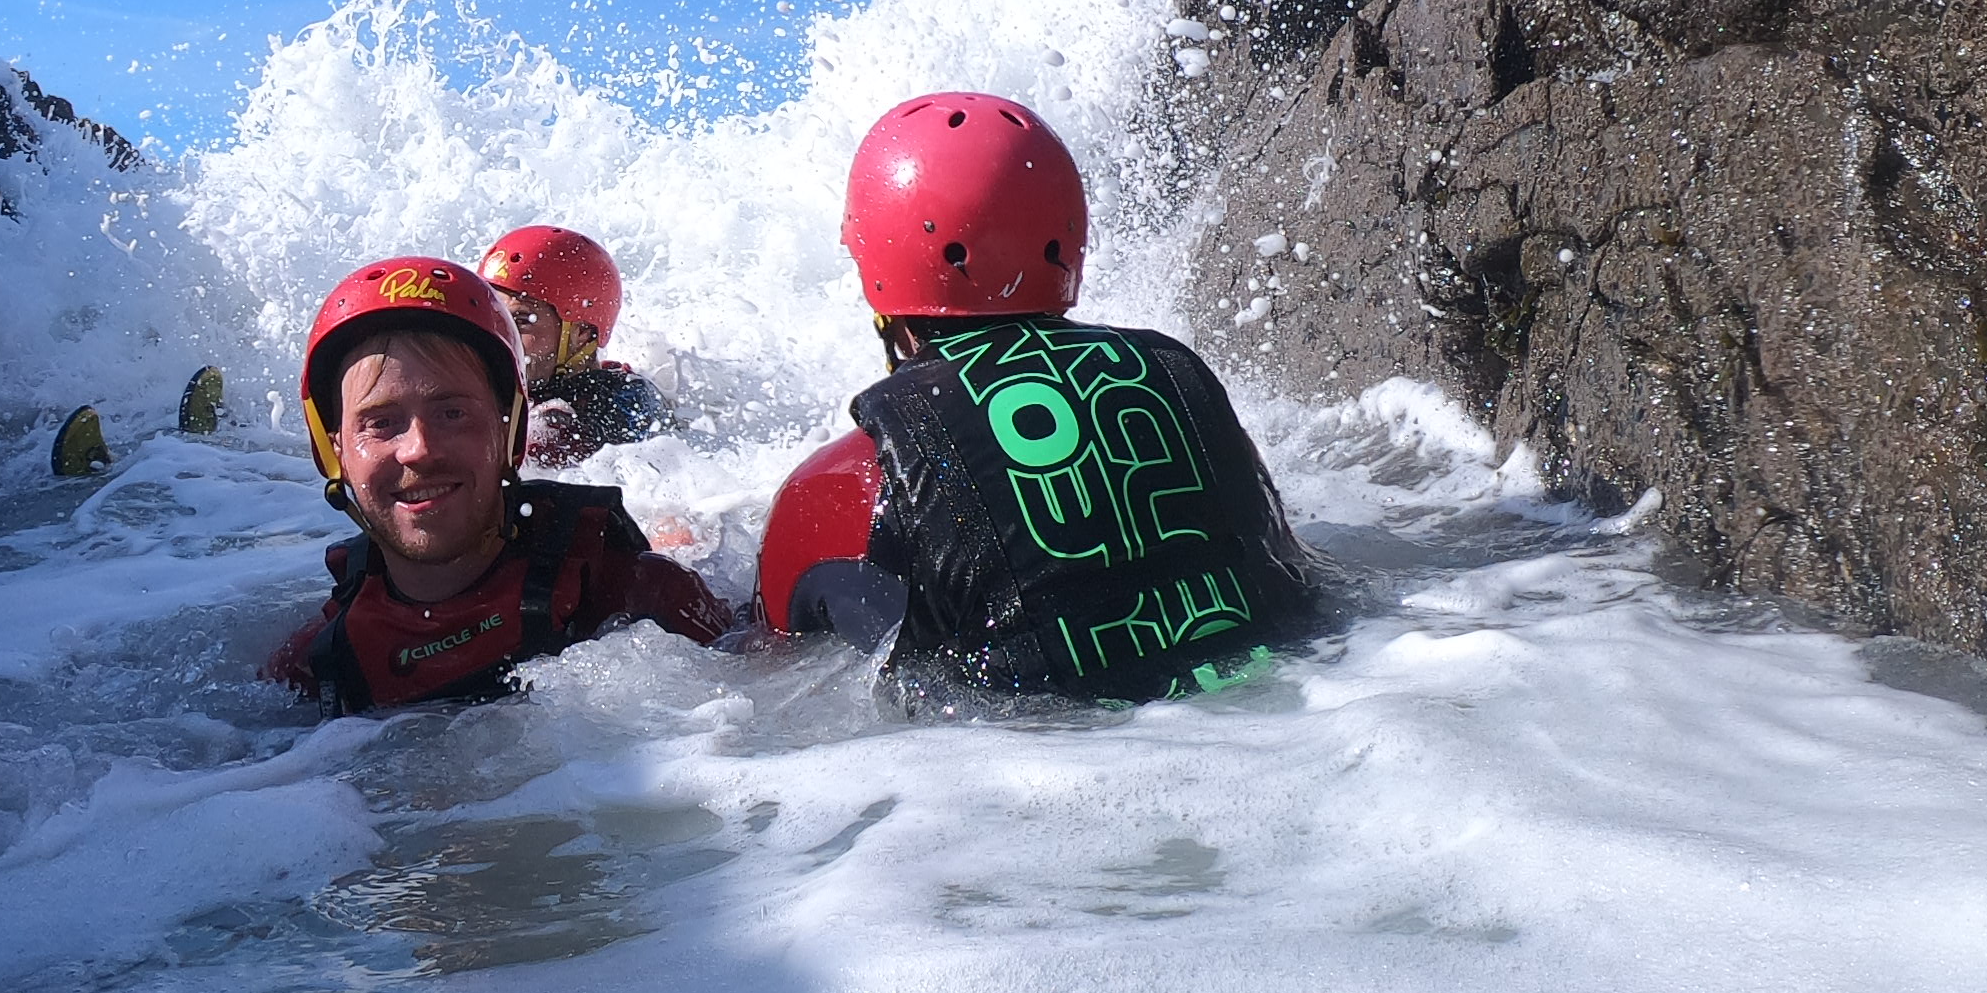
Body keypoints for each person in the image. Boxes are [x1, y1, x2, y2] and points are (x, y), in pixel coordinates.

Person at [781, 91, 1331, 707]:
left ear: (876, 264)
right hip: (1303, 705)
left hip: (1049, 770)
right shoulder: (1180, 377)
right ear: (1068, 234)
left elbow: (762, 671)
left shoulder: (852, 478)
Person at [259, 256, 730, 715]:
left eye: (453, 413)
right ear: (332, 450)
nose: (418, 450)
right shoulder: (316, 669)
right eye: (381, 423)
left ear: (511, 433)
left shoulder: (640, 596)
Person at [478, 225, 669, 460]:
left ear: (582, 333)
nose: (500, 335)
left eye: (521, 320)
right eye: (494, 316)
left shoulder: (604, 410)